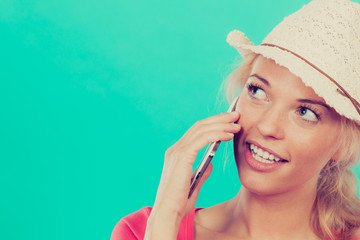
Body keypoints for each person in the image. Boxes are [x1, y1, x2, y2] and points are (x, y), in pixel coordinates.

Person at [111, 0, 360, 239]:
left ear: (343, 145)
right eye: (257, 91)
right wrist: (165, 220)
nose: (266, 126)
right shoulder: (141, 231)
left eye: (306, 112)